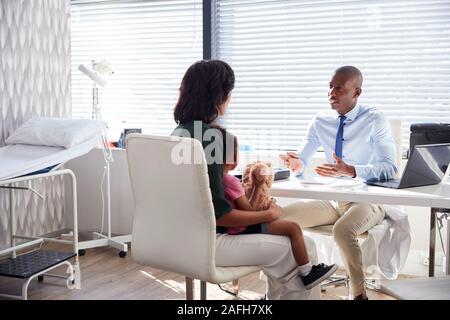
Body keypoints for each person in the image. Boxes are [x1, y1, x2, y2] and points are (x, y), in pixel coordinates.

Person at [172, 59, 321, 299]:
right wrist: (268, 214)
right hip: (209, 243)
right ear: (221, 94)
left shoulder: (180, 132)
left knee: (288, 247)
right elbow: (222, 216)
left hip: (179, 238)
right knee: (306, 247)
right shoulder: (208, 137)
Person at [279, 66, 398, 300]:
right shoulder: (320, 120)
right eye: (330, 87)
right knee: (279, 220)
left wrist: (351, 170)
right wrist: (296, 164)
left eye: (339, 89)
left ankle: (358, 294)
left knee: (343, 230)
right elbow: (302, 159)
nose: (331, 93)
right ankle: (279, 289)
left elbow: (390, 169)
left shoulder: (375, 119)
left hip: (367, 200)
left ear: (357, 92)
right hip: (332, 199)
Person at [211, 124, 337, 289]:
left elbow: (244, 208)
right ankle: (307, 273)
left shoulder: (214, 179)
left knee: (286, 224)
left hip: (231, 230)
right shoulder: (230, 181)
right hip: (240, 229)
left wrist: (258, 188)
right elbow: (248, 211)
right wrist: (267, 205)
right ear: (232, 157)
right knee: (293, 228)